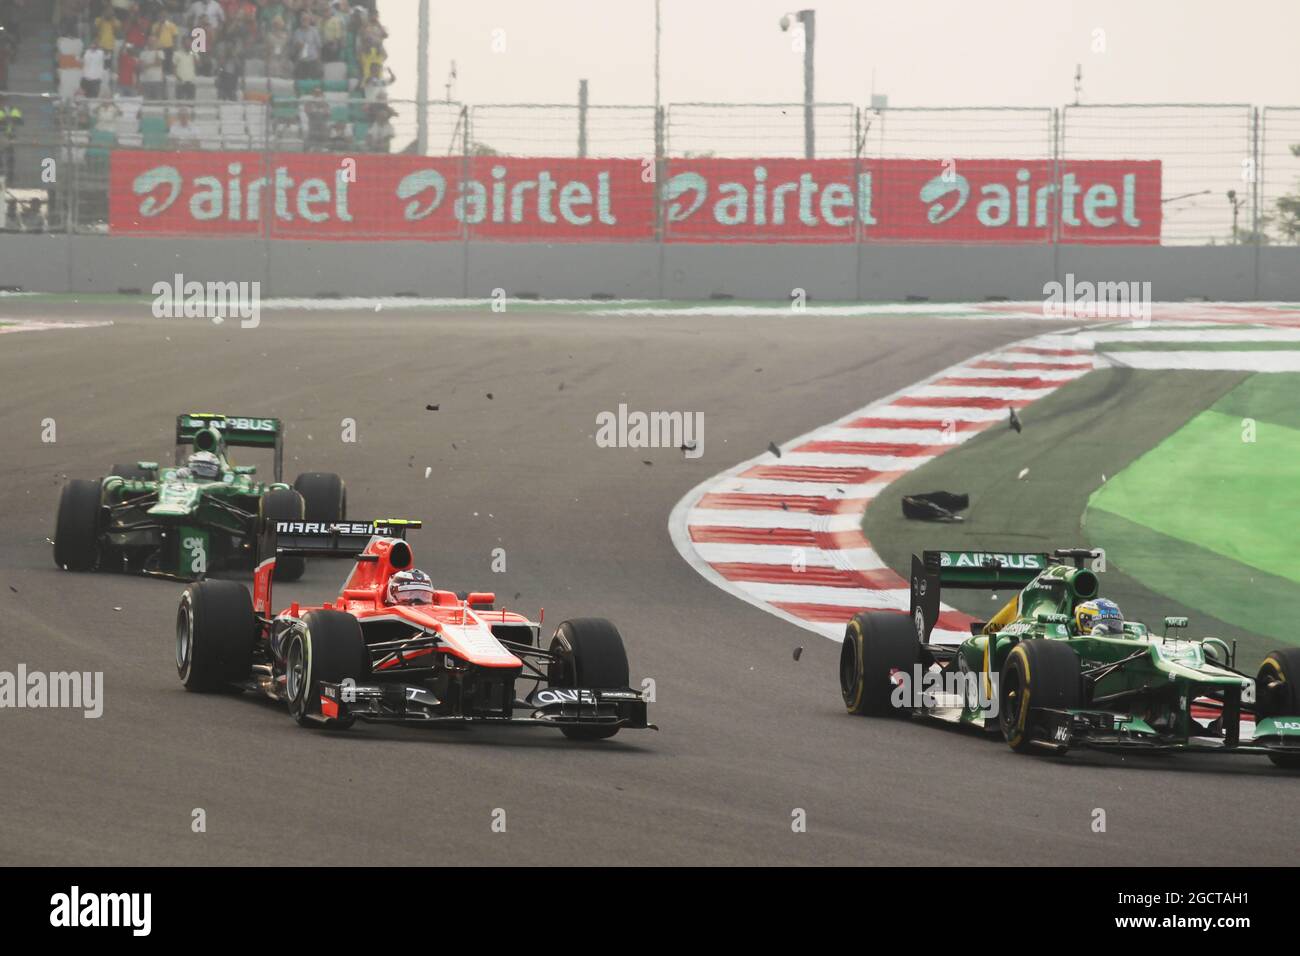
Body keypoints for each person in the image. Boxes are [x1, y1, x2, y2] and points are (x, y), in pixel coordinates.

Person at [0, 94, 22, 181]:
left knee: (10, 157)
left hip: (9, 136)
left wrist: (11, 119)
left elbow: (19, 121)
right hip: (2, 136)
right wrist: (5, 120)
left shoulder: (13, 110)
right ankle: (2, 177)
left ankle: (10, 177)